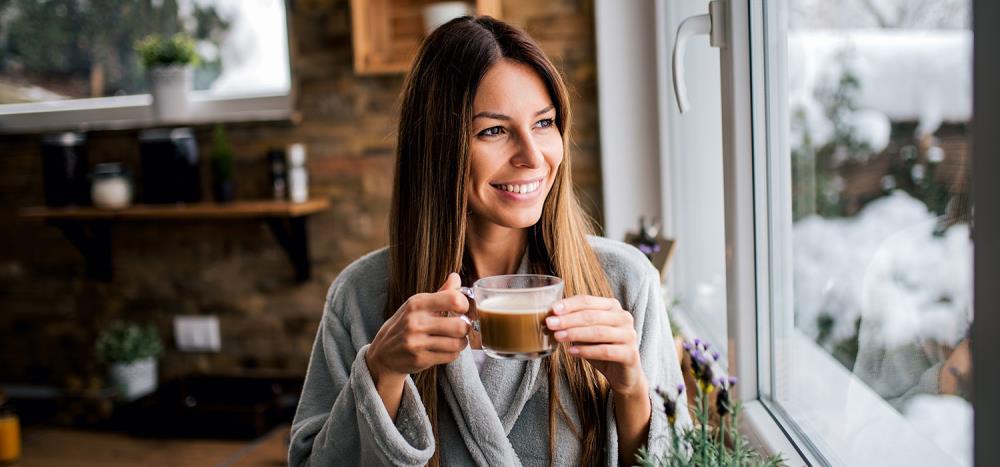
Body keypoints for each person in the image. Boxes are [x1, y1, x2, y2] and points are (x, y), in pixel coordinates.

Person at [289, 16, 689, 467]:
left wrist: (631, 388)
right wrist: (381, 371)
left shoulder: (623, 281)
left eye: (544, 123)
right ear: (438, 147)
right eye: (493, 131)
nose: (533, 156)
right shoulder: (360, 296)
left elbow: (682, 460)